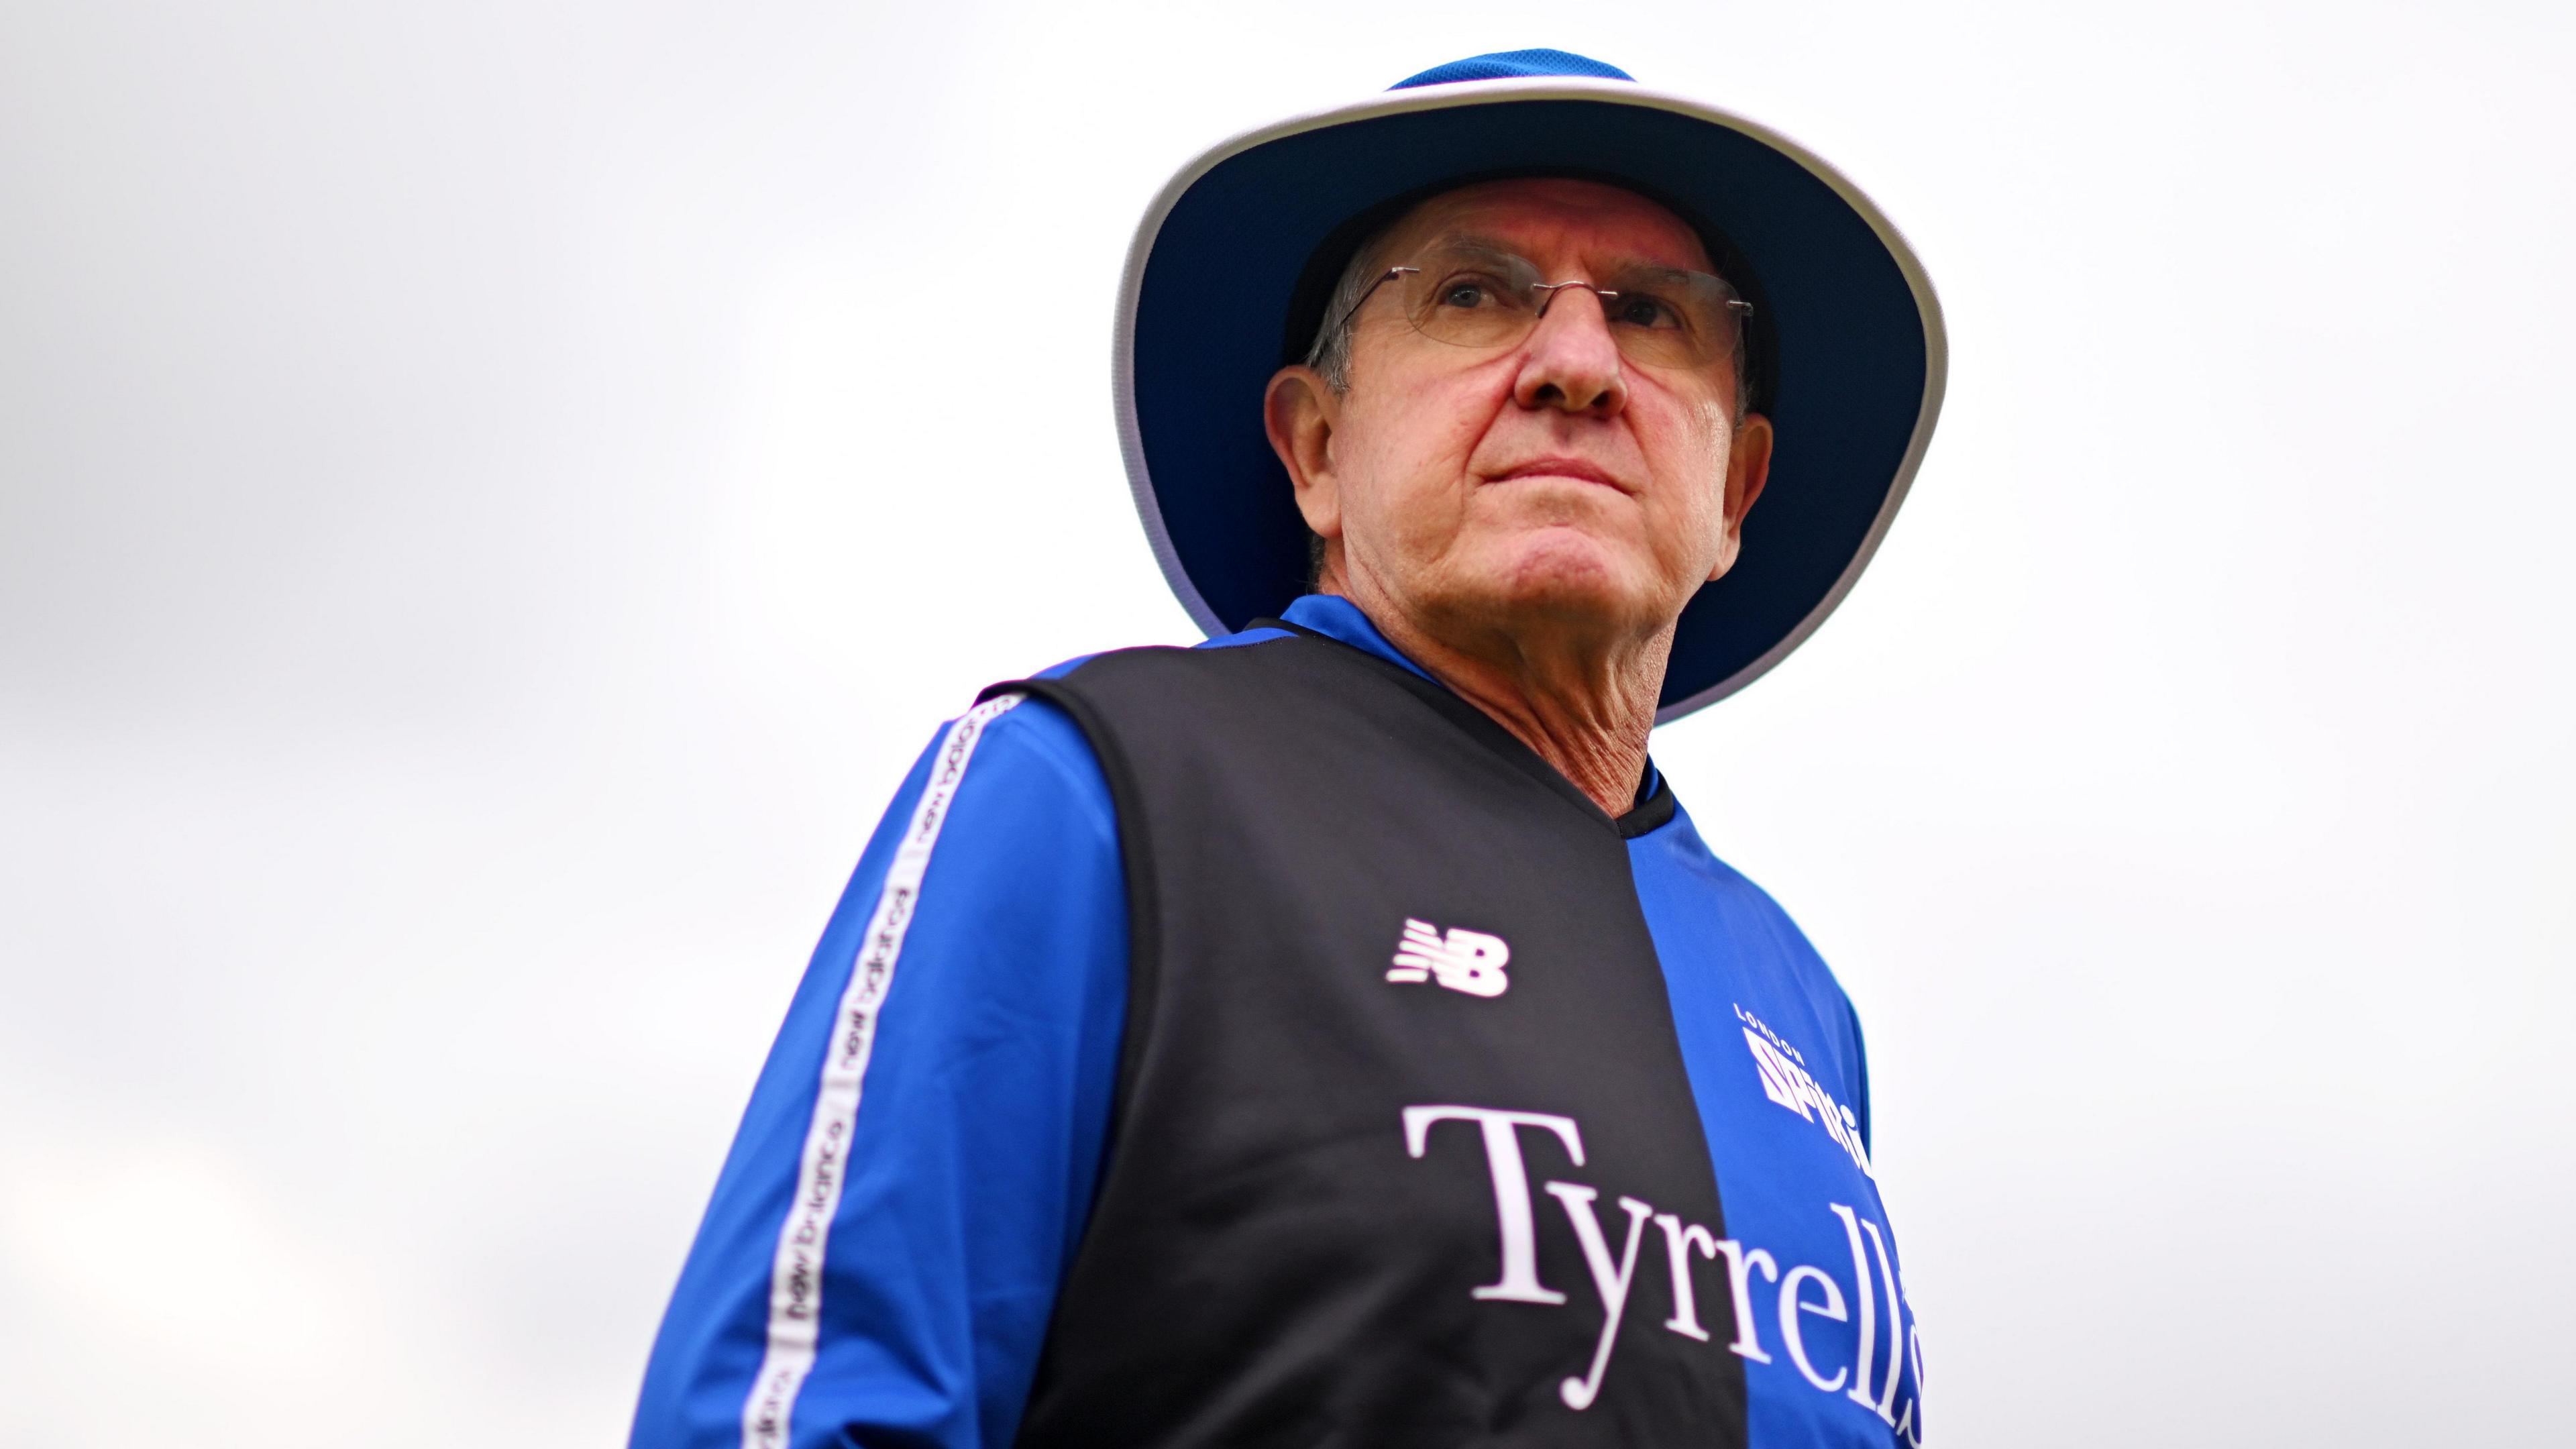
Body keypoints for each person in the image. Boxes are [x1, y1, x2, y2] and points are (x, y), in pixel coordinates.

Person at [631, 48, 1947, 1449]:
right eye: (1473, 295)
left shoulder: (1801, 1000)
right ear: (1315, 446)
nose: (1575, 364)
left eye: (1653, 315)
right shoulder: (1097, 792)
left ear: (1734, 489)